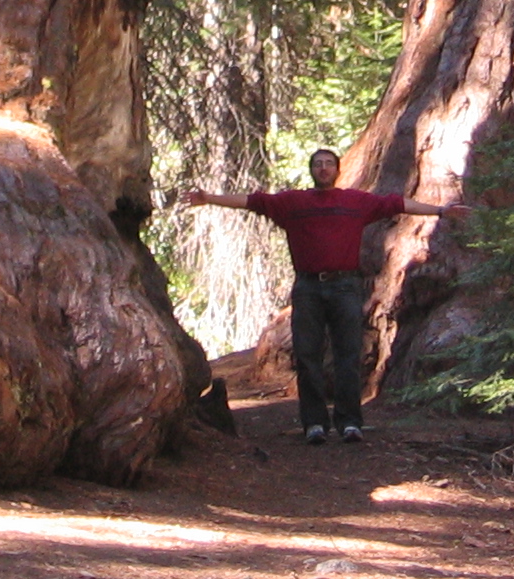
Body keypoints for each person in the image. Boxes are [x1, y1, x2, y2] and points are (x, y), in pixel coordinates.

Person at [186, 148, 467, 444]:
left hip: (345, 286)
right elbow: (252, 202)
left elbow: (396, 204)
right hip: (308, 288)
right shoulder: (292, 202)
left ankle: (349, 423)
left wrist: (440, 211)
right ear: (311, 170)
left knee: (348, 355)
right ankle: (314, 424)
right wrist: (209, 199)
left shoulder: (356, 202)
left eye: (328, 164)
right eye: (318, 164)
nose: (323, 168)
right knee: (307, 356)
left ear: (337, 170)